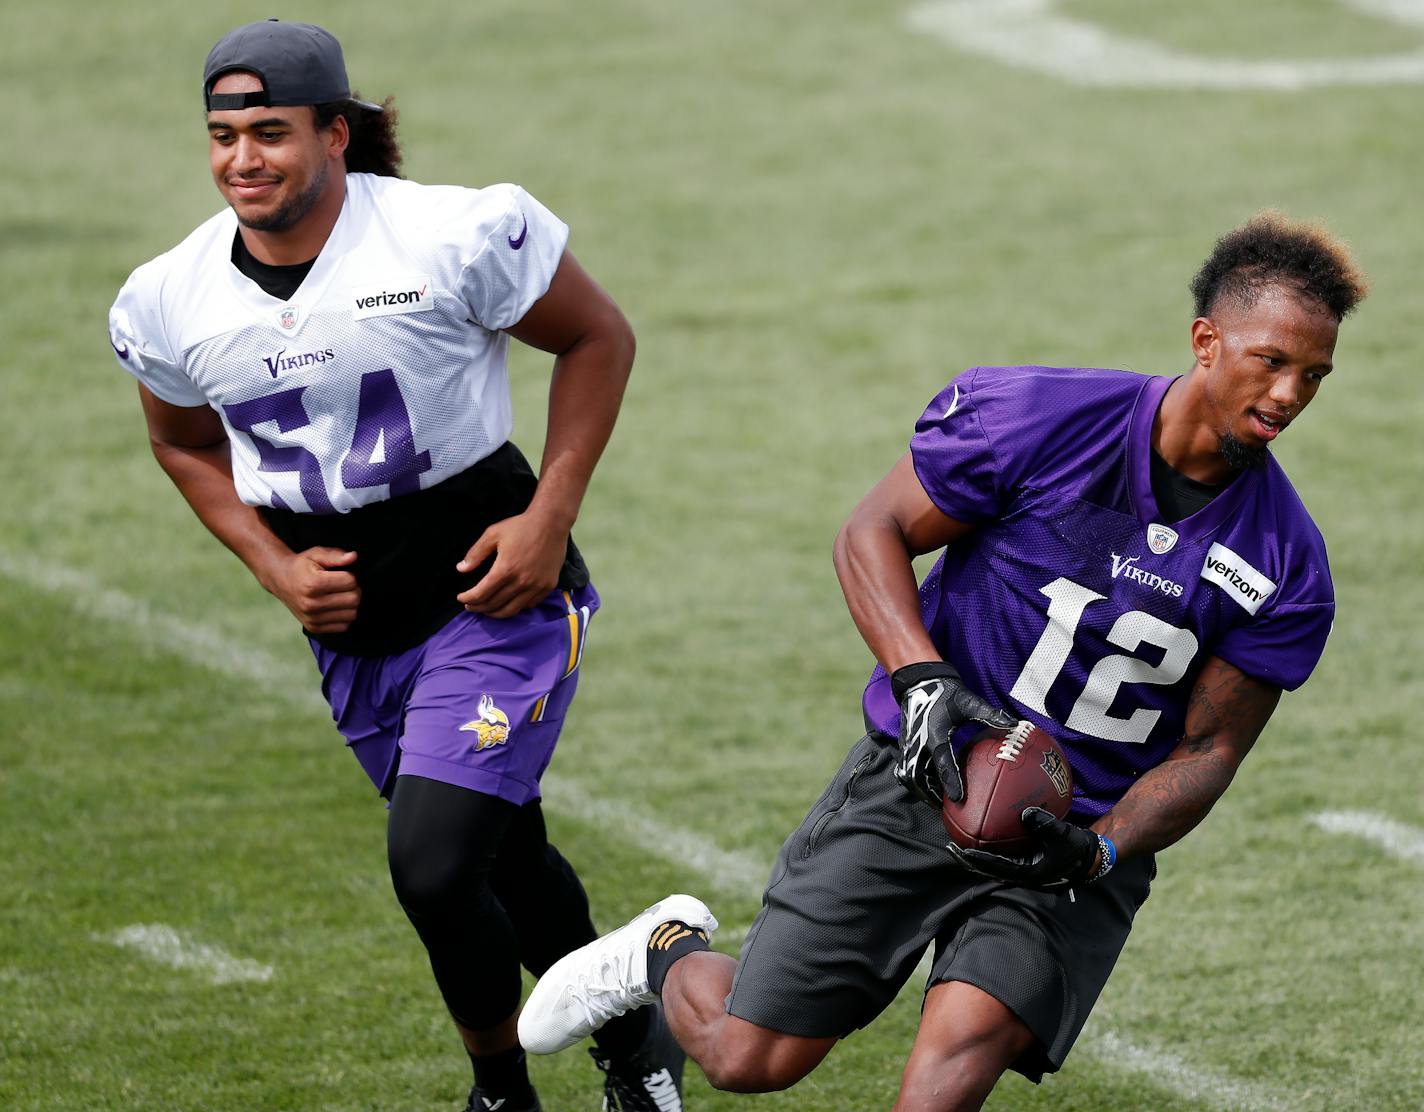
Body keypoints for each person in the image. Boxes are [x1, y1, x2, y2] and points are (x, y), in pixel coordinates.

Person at [515, 213, 1368, 1109]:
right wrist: (922, 680)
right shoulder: (1044, 418)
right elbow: (870, 531)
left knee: (940, 1089)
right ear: (1206, 340)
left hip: (1071, 839)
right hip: (923, 774)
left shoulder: (1286, 561)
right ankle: (665, 953)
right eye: (1270, 361)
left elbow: (1210, 750)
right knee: (746, 1060)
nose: (1288, 394)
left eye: (1313, 375)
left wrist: (1103, 850)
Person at [107, 19, 684, 1112]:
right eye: (223, 135)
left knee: (430, 861)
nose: (242, 159)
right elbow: (182, 443)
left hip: (487, 567)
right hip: (348, 607)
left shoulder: (447, 232)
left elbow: (596, 337)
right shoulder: (168, 296)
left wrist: (548, 519)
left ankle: (498, 1090)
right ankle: (632, 1025)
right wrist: (271, 569)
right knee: (503, 854)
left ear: (336, 132)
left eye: (269, 132)